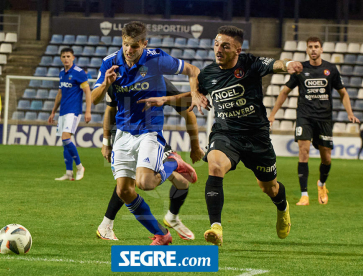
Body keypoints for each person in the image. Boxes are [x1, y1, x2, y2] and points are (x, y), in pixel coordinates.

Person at [139, 25, 303, 246]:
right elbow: (193, 96)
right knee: (215, 164)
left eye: (225, 46)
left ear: (237, 49)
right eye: (216, 44)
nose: (219, 49)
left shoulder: (250, 64)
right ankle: (216, 227)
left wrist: (288, 65)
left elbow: (275, 65)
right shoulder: (208, 74)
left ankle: (282, 207)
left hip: (257, 138)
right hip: (226, 134)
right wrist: (165, 101)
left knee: (269, 187)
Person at [90, 21, 200, 245]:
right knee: (124, 191)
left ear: (144, 43)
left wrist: (195, 93)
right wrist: (105, 84)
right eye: (125, 45)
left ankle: (172, 163)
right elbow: (93, 100)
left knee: (146, 183)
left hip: (149, 131)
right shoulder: (110, 64)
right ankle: (162, 234)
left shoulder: (155, 59)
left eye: (134, 46)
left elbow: (193, 70)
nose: (129, 51)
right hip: (123, 133)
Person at [97, 78, 205, 241]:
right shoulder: (118, 79)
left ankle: (172, 217)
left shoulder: (160, 82)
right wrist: (106, 142)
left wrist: (195, 145)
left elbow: (186, 110)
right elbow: (110, 110)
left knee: (181, 183)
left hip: (149, 134)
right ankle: (106, 224)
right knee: (128, 183)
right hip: (125, 134)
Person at [268, 37, 360, 206]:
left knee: (326, 158)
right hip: (305, 116)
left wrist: (350, 113)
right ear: (306, 50)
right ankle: (304, 195)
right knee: (303, 152)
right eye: (310, 47)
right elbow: (284, 92)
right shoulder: (300, 70)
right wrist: (273, 114)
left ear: (321, 49)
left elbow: (343, 93)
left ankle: (321, 184)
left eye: (316, 47)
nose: (313, 50)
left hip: (324, 118)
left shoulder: (330, 69)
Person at [48, 47, 92, 181]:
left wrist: (88, 111)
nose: (66, 58)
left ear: (73, 58)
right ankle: (68, 173)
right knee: (64, 142)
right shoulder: (62, 73)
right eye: (64, 56)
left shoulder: (79, 73)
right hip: (63, 111)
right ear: (61, 58)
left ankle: (80, 167)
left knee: (66, 138)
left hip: (73, 111)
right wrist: (53, 111)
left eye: (68, 56)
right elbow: (60, 93)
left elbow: (88, 92)